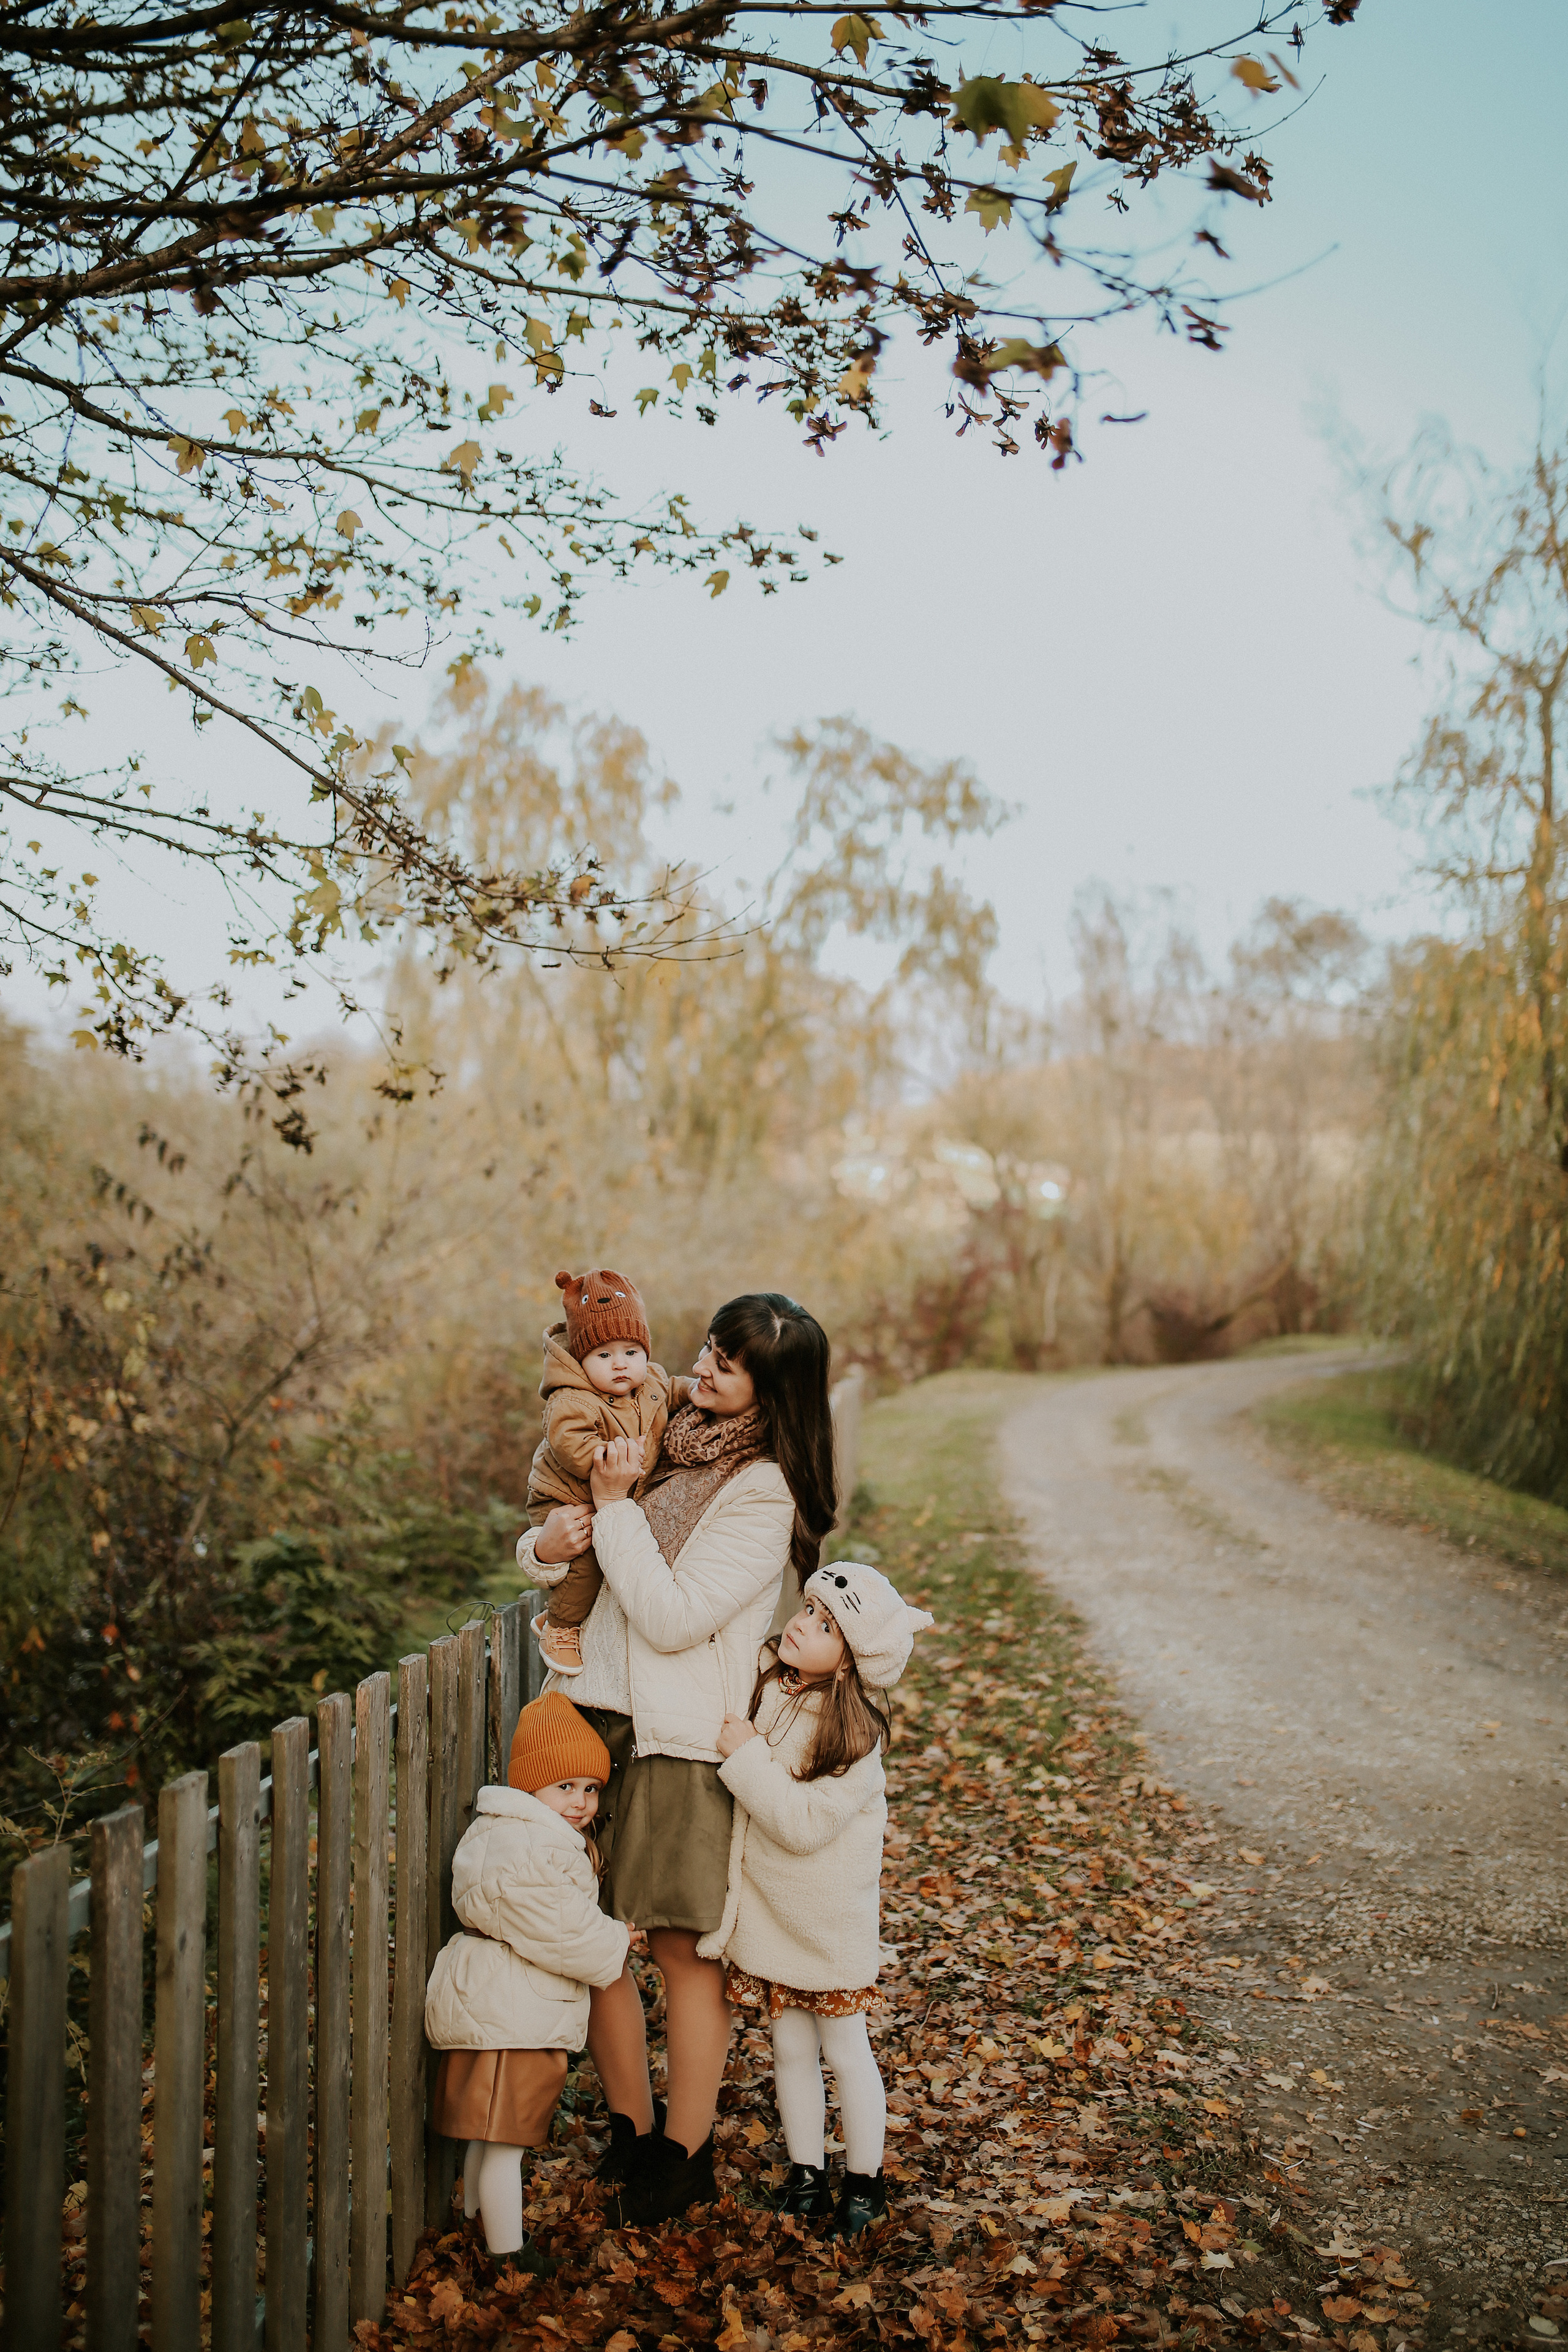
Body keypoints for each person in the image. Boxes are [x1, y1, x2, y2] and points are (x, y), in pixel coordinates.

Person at [517, 1291, 837, 2228]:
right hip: (591, 1715)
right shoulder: (660, 1427)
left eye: (728, 1365)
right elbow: (563, 1540)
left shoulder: (764, 1492)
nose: (702, 1368)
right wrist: (545, 1543)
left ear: (773, 1393)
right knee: (591, 1937)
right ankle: (627, 2126)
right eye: (707, 1348)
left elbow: (668, 1615)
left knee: (676, 1947)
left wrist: (615, 1508)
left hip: (677, 1735)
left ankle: (682, 2151)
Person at [706, 1561, 933, 2239]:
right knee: (789, 2051)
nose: (802, 1624)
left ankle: (864, 2179)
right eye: (807, 1610)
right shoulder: (776, 1686)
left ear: (851, 1662)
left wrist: (743, 1759)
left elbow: (803, 1825)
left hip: (827, 1926)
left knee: (845, 2050)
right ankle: (806, 2174)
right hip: (776, 1920)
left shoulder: (854, 1740)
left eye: (826, 1624)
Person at [424, 1691, 630, 2264]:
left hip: (502, 2007)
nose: (581, 1802)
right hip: (509, 2015)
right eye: (565, 1786)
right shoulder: (527, 1845)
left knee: (486, 2134)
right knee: (503, 2145)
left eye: (591, 1789)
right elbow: (560, 1930)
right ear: (530, 1785)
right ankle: (507, 2254)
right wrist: (615, 1940)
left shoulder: (517, 1835)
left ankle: (471, 2224)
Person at [526, 1267, 693, 1676]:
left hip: (610, 1493)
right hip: (566, 1495)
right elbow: (572, 1447)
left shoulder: (649, 1382)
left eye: (631, 1352)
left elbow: (674, 1391)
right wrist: (610, 1459)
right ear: (582, 1359)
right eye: (605, 1355)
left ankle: (563, 1616)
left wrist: (698, 1392)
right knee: (588, 1560)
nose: (621, 1365)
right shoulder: (572, 1401)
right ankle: (561, 1628)